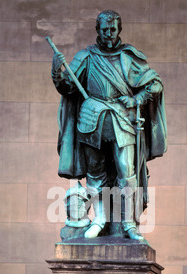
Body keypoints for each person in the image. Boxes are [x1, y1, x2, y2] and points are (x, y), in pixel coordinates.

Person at [51, 10, 167, 240]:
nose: (109, 34)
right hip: (92, 118)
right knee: (95, 172)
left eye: (113, 29)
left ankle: (128, 225)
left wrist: (137, 99)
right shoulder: (86, 56)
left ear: (119, 29)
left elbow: (155, 84)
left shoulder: (129, 57)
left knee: (127, 171)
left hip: (122, 118)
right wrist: (56, 70)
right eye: (104, 29)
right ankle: (100, 219)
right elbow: (68, 86)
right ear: (98, 30)